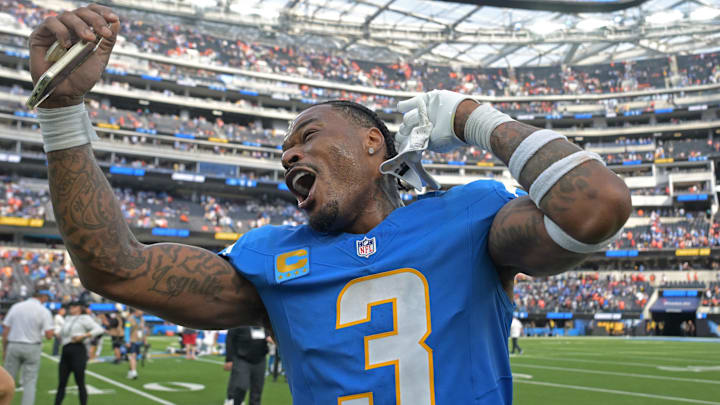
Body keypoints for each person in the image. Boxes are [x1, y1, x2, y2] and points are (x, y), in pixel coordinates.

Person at [28, 5, 631, 403]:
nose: (289, 154)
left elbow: (595, 206)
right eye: (284, 150)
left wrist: (474, 117)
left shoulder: (470, 216)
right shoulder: (271, 257)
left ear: (374, 143)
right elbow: (114, 268)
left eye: (308, 136)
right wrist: (60, 112)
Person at [2, 288, 54, 405]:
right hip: (32, 347)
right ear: (43, 297)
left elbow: (6, 330)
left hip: (14, 345)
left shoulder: (16, 307)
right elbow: (49, 335)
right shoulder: (43, 310)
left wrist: (4, 350)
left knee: (5, 382)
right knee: (30, 383)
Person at [54, 301, 104, 405]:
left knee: (80, 382)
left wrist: (83, 336)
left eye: (74, 306)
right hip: (65, 351)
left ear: (79, 308)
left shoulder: (85, 318)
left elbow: (99, 329)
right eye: (70, 306)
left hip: (78, 351)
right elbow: (63, 333)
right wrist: (57, 333)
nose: (71, 308)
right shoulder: (67, 318)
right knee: (61, 383)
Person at [224, 327, 269, 405]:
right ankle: (234, 401)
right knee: (241, 386)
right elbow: (230, 339)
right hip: (242, 359)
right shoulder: (239, 322)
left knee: (257, 390)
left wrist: (270, 337)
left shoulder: (263, 323)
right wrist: (229, 359)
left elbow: (270, 335)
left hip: (260, 360)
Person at [124, 308, 144, 379]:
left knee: (136, 357)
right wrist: (127, 341)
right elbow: (127, 330)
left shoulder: (142, 319)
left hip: (139, 340)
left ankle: (130, 371)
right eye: (141, 310)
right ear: (136, 311)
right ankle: (134, 372)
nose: (142, 312)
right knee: (133, 355)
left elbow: (142, 330)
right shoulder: (129, 319)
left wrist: (144, 340)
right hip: (132, 340)